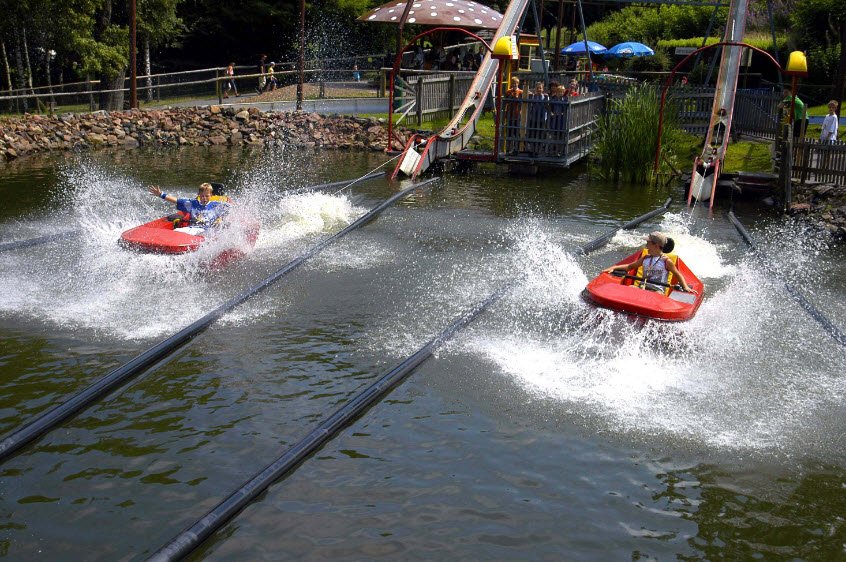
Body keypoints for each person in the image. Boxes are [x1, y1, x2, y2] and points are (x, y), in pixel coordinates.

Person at [603, 231, 694, 294]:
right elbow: (629, 267)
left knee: (657, 294)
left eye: (648, 243)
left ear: (656, 246)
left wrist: (685, 287)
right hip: (643, 288)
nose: (646, 246)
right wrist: (613, 268)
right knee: (630, 288)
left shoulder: (666, 261)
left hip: (657, 291)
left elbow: (678, 274)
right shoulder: (645, 258)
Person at [148, 183, 230, 234]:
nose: (204, 198)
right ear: (199, 195)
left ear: (211, 196)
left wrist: (220, 219)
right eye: (202, 196)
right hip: (192, 229)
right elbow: (176, 201)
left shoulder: (216, 205)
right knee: (176, 232)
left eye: (207, 196)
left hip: (206, 231)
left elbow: (230, 211)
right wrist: (161, 194)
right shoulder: (192, 204)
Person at [504, 76, 523, 153]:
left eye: (516, 83)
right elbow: (505, 101)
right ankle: (508, 149)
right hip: (510, 115)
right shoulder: (508, 91)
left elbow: (523, 101)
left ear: (518, 84)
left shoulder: (521, 92)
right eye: (513, 83)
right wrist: (511, 97)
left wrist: (518, 99)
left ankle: (516, 149)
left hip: (517, 115)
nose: (514, 85)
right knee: (509, 133)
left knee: (516, 133)